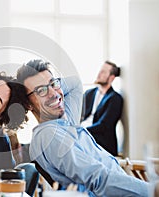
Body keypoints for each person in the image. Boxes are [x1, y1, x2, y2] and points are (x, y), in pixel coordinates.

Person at [16, 59, 149, 196]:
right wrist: (153, 190)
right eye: (41, 90)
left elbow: (75, 83)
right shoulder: (49, 135)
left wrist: (51, 86)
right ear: (28, 104)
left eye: (54, 83)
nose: (54, 94)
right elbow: (100, 180)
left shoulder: (66, 121)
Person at [81, 61, 123, 156]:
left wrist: (82, 131)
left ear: (111, 78)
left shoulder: (115, 98)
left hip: (102, 144)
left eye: (103, 72)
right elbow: (78, 115)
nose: (99, 74)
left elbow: (104, 126)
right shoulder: (89, 93)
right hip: (83, 139)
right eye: (100, 71)